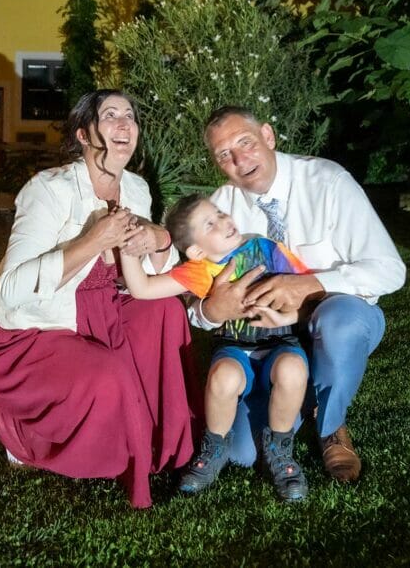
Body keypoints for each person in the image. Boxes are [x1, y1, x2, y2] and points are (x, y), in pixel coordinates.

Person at [0, 89, 202, 509]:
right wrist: (92, 240)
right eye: (109, 115)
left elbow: (145, 278)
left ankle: (157, 439)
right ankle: (24, 435)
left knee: (165, 311)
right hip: (33, 327)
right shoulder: (48, 190)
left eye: (129, 115)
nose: (123, 124)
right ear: (83, 133)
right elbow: (13, 289)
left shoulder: (136, 187)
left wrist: (160, 239)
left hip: (102, 308)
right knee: (109, 375)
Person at [192, 105, 407, 483]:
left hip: (334, 319)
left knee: (339, 321)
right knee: (244, 454)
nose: (240, 160)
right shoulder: (221, 207)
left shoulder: (328, 182)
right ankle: (299, 400)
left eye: (246, 143)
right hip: (269, 341)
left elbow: (390, 270)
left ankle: (331, 427)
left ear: (269, 136)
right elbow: (193, 294)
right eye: (224, 154)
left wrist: (311, 284)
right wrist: (210, 309)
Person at [119, 193, 311, 502]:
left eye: (220, 213)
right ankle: (214, 447)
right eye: (210, 223)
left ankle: (280, 451)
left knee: (293, 369)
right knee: (223, 376)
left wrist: (291, 314)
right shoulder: (200, 270)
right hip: (235, 348)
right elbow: (142, 288)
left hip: (281, 343)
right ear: (196, 250)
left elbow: (309, 290)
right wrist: (128, 250)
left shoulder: (267, 248)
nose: (223, 221)